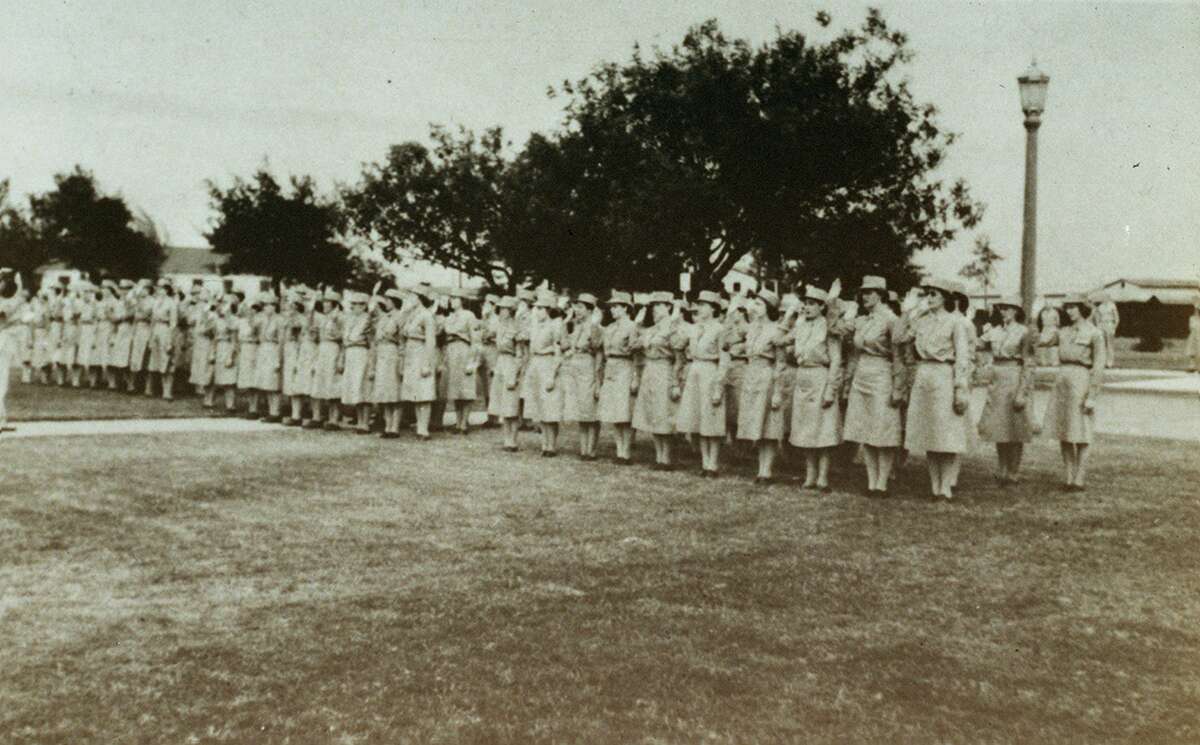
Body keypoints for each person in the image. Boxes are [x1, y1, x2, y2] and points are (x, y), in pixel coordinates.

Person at [897, 280, 972, 501]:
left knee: (945, 433)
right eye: (926, 294)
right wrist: (907, 310)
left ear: (944, 298)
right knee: (930, 433)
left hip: (944, 375)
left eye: (933, 294)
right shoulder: (921, 321)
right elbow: (899, 338)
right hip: (924, 374)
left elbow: (962, 357)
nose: (928, 298)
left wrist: (960, 387)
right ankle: (934, 485)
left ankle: (946, 485)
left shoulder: (955, 322)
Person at [843, 276, 904, 496]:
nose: (865, 296)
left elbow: (899, 357)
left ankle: (882, 482)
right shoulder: (862, 320)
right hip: (862, 373)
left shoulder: (891, 319)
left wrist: (898, 386)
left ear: (880, 294)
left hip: (882, 373)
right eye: (863, 293)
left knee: (883, 429)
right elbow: (837, 332)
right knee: (865, 429)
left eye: (870, 292)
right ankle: (871, 482)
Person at [1041, 294, 1105, 491]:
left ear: (1082, 309)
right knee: (1065, 431)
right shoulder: (1063, 331)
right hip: (1063, 380)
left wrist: (1092, 395)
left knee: (1082, 432)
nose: (1069, 311)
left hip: (1082, 379)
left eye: (1073, 307)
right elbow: (1042, 341)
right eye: (1067, 307)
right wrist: (1045, 322)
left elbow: (1099, 366)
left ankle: (1079, 478)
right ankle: (1069, 477)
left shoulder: (1095, 333)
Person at [788, 286, 844, 491]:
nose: (807, 307)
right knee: (805, 428)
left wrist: (831, 389)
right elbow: (783, 339)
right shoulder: (800, 325)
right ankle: (809, 474)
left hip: (821, 376)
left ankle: (823, 476)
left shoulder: (828, 327)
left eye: (812, 303)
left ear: (822, 306)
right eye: (805, 303)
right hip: (804, 376)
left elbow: (836, 360)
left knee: (823, 428)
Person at [977, 296, 1035, 485]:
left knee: (1015, 428)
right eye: (1002, 308)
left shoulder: (1024, 332)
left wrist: (1022, 391)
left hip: (1015, 376)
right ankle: (1001, 469)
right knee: (999, 427)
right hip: (997, 378)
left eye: (1009, 308)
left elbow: (1029, 362)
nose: (1004, 312)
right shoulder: (993, 331)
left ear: (1017, 311)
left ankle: (1013, 471)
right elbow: (977, 344)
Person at [736, 290, 788, 484]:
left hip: (767, 376)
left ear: (768, 308)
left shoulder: (776, 330)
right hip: (751, 375)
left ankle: (767, 470)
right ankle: (760, 468)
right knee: (756, 423)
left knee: (768, 425)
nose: (754, 307)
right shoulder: (751, 329)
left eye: (759, 304)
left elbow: (780, 363)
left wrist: (777, 391)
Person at [675, 290, 727, 477]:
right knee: (698, 420)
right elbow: (677, 346)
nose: (700, 308)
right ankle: (704, 462)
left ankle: (713, 464)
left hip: (710, 371)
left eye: (704, 305)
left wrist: (718, 387)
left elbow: (724, 358)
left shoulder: (720, 329)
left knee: (711, 419)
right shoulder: (694, 328)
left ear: (713, 308)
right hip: (695, 370)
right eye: (699, 304)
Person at [632, 291, 683, 470]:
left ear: (668, 306)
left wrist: (676, 382)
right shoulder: (651, 329)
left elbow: (679, 356)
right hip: (650, 369)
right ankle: (658, 456)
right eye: (653, 306)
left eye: (659, 305)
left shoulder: (673, 326)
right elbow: (634, 345)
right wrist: (637, 323)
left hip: (665, 369)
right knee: (653, 412)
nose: (655, 309)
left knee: (664, 412)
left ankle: (666, 457)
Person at [598, 291, 639, 464]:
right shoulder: (609, 328)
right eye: (612, 307)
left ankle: (626, 452)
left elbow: (637, 355)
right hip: (611, 367)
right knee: (615, 412)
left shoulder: (632, 327)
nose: (613, 310)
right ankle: (619, 450)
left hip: (625, 367)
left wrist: (635, 376)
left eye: (616, 307)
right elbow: (603, 351)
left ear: (625, 309)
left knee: (624, 412)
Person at [561, 293, 604, 460]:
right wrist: (565, 323)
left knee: (590, 410)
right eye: (576, 306)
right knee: (581, 410)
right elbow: (565, 345)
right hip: (575, 366)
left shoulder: (597, 327)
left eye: (581, 307)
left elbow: (597, 350)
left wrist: (597, 378)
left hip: (589, 366)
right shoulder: (576, 326)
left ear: (590, 310)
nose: (577, 310)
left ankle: (591, 450)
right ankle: (583, 448)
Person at [524, 291, 565, 456]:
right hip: (536, 365)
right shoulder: (534, 326)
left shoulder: (556, 325)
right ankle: (544, 444)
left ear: (548, 310)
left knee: (550, 407)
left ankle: (552, 445)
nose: (538, 311)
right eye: (536, 308)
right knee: (540, 406)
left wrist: (552, 375)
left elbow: (558, 351)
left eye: (541, 308)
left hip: (548, 364)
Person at [400, 286, 438, 439]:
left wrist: (427, 364)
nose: (409, 299)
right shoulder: (411, 315)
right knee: (415, 393)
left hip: (422, 353)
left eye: (412, 296)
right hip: (411, 355)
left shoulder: (426, 315)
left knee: (424, 392)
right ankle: (419, 427)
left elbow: (430, 341)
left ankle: (424, 428)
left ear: (419, 298)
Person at [370, 289, 407, 438]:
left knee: (394, 391)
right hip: (382, 354)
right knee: (384, 392)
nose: (386, 303)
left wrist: (402, 360)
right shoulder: (383, 318)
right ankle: (387, 425)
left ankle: (395, 427)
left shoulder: (400, 317)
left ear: (395, 301)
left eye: (389, 300)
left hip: (393, 354)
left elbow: (403, 340)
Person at [442, 289, 480, 435]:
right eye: (451, 298)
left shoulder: (469, 315)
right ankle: (458, 421)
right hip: (452, 351)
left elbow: (475, 339)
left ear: (462, 300)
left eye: (455, 298)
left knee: (466, 388)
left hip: (464, 350)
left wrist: (472, 361)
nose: (452, 301)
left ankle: (464, 422)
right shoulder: (450, 317)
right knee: (455, 389)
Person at [489, 296, 523, 450]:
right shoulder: (499, 326)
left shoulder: (517, 327)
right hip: (501, 362)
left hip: (511, 362)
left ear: (511, 311)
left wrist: (515, 373)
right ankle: (506, 438)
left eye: (505, 309)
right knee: (502, 403)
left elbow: (520, 353)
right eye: (501, 308)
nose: (502, 311)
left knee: (511, 404)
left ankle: (513, 440)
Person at [339, 290, 376, 433]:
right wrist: (342, 359)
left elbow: (372, 344)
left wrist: (372, 364)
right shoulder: (349, 319)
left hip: (362, 354)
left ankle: (365, 422)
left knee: (364, 387)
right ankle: (359, 421)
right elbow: (344, 342)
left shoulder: (368, 320)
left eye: (358, 304)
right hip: (350, 354)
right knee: (355, 389)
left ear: (364, 305)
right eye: (353, 304)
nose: (354, 307)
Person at [310, 289, 345, 430]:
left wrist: (341, 359)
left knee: (333, 384)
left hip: (334, 350)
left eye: (327, 302)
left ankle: (334, 419)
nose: (324, 305)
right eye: (324, 302)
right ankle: (316, 416)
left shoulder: (341, 317)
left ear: (334, 303)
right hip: (322, 350)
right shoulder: (323, 318)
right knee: (318, 383)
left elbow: (343, 340)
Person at [253, 291, 285, 422]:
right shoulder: (260, 318)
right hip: (263, 349)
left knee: (273, 382)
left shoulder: (279, 319)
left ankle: (275, 411)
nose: (268, 307)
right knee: (265, 381)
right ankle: (270, 410)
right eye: (265, 305)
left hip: (273, 349)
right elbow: (253, 330)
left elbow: (281, 340)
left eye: (271, 305)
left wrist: (278, 358)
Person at [211, 294, 240, 414]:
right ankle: (215, 402)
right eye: (222, 303)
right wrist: (212, 352)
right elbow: (214, 337)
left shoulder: (234, 320)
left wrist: (230, 356)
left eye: (225, 303)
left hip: (229, 347)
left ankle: (231, 405)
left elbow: (234, 340)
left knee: (230, 379)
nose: (222, 306)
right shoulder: (217, 320)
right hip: (220, 347)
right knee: (220, 378)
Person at [235, 293, 261, 416]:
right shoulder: (242, 322)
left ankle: (255, 407)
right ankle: (252, 407)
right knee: (248, 380)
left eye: (255, 309)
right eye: (251, 308)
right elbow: (239, 337)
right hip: (245, 350)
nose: (252, 311)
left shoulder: (259, 322)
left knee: (256, 379)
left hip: (256, 349)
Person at [107, 281, 134, 391]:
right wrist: (113, 318)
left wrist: (121, 318)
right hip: (118, 330)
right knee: (118, 357)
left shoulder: (132, 300)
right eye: (122, 288)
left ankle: (130, 384)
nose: (124, 291)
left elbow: (132, 314)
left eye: (126, 289)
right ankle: (120, 382)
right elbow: (110, 314)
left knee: (127, 357)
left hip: (128, 329)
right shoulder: (118, 302)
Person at [127, 282, 154, 393]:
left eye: (143, 289)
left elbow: (147, 315)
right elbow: (135, 317)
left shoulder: (153, 301)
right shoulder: (138, 301)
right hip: (138, 330)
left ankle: (148, 387)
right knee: (135, 357)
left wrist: (139, 309)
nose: (140, 291)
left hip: (147, 330)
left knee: (147, 358)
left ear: (148, 290)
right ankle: (132, 385)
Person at [1092, 291, 1119, 369]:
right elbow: (1097, 317)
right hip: (1102, 324)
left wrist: (1114, 327)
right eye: (1103, 297)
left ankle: (1109, 363)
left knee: (1110, 344)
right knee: (1102, 344)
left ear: (1108, 297)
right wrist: (1098, 326)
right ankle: (1102, 362)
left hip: (1109, 324)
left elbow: (1117, 317)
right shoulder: (1100, 307)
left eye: (1105, 297)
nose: (1104, 298)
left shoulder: (1112, 306)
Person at [1036, 300, 1061, 367]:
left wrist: (1056, 330)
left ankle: (1054, 362)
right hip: (1045, 329)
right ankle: (1043, 362)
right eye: (1046, 304)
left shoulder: (1055, 312)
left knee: (1053, 346)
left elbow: (1058, 322)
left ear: (1051, 305)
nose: (1047, 305)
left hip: (1053, 328)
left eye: (1049, 304)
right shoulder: (1043, 313)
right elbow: (1040, 322)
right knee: (1043, 345)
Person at [1188, 296, 1200, 374]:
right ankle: (1192, 366)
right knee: (1192, 351)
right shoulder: (1192, 318)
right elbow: (1191, 327)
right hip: (1194, 336)